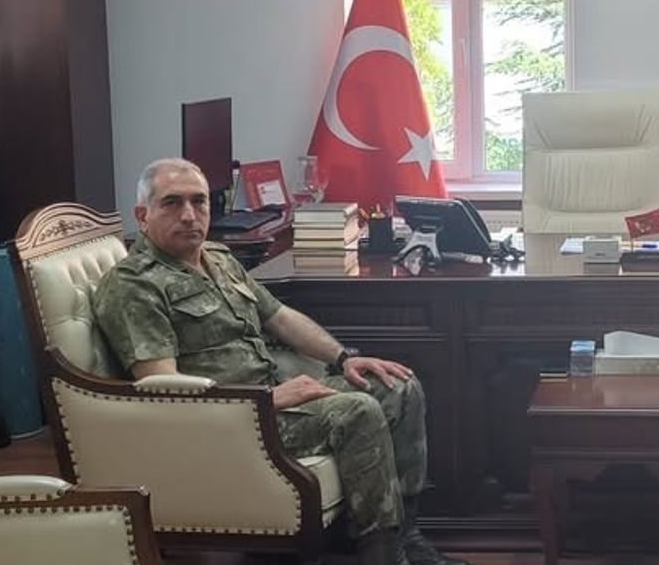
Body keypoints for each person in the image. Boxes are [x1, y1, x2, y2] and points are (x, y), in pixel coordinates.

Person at [93, 158, 467, 565]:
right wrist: (267, 400)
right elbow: (163, 389)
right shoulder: (134, 285)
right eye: (172, 203)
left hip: (274, 394)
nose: (189, 214)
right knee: (357, 411)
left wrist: (345, 358)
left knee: (399, 386)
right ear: (142, 215)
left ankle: (407, 537)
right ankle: (383, 555)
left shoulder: (218, 258)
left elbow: (280, 317)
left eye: (198, 202)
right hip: (231, 420)